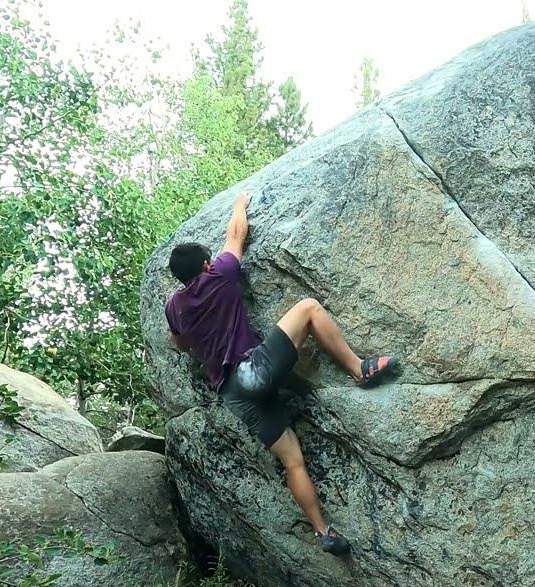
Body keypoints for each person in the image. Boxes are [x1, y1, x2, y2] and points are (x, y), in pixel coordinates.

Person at [164, 191, 399, 556]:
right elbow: (236, 235)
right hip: (252, 371)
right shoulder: (220, 275)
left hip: (232, 395)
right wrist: (240, 204)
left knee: (292, 460)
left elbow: (178, 344)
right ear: (208, 264)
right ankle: (359, 369)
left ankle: (324, 533)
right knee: (308, 308)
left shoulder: (173, 306)